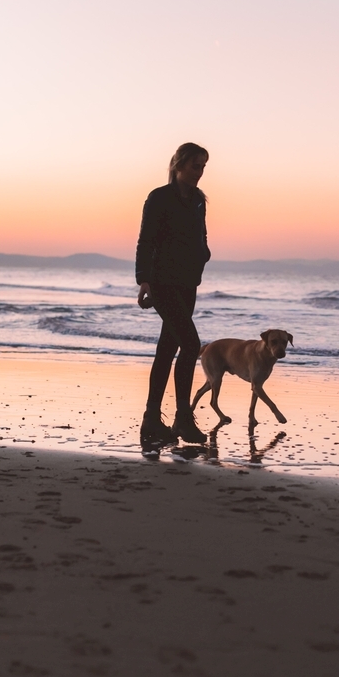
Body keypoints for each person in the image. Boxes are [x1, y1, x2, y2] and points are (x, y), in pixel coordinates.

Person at [136, 142, 211, 448]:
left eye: (204, 167)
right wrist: (143, 280)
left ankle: (151, 420)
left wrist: (204, 253)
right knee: (191, 344)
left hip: (188, 283)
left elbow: (201, 236)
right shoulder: (159, 197)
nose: (200, 172)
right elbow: (146, 241)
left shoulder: (198, 200)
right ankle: (182, 416)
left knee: (168, 349)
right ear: (179, 164)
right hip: (162, 283)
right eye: (196, 166)